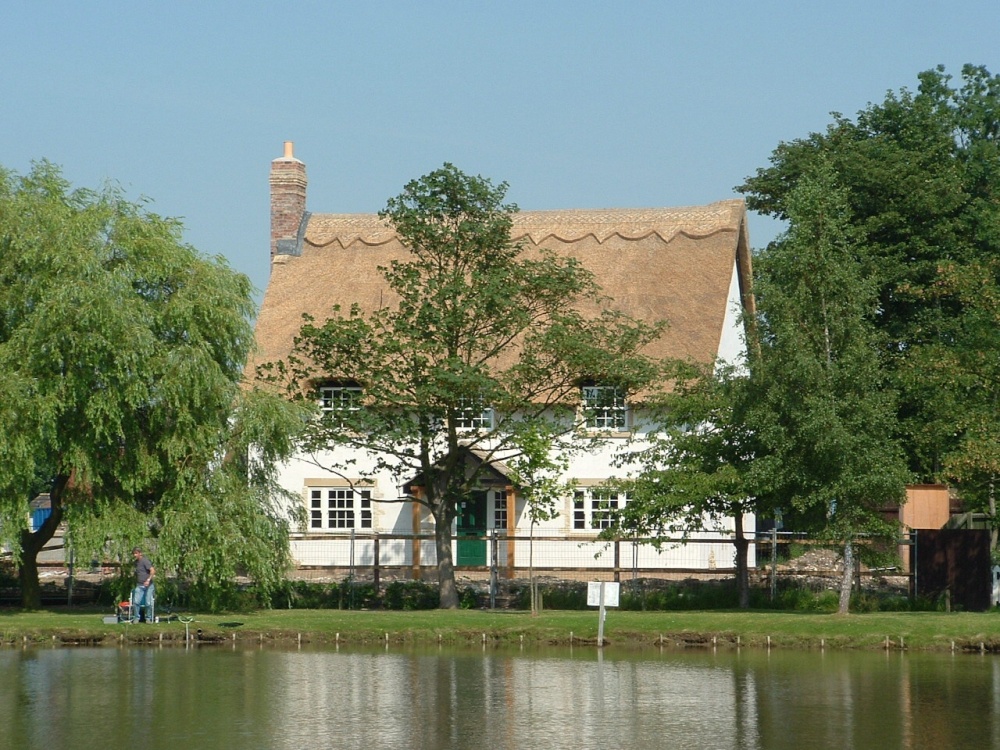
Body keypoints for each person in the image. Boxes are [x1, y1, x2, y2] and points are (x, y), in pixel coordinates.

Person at [131, 546, 155, 623]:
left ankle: (148, 618)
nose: (134, 555)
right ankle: (136, 618)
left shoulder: (145, 561)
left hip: (149, 585)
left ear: (140, 553)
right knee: (136, 602)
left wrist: (148, 580)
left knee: (148, 603)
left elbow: (152, 570)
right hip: (139, 585)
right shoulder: (136, 563)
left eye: (136, 553)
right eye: (134, 553)